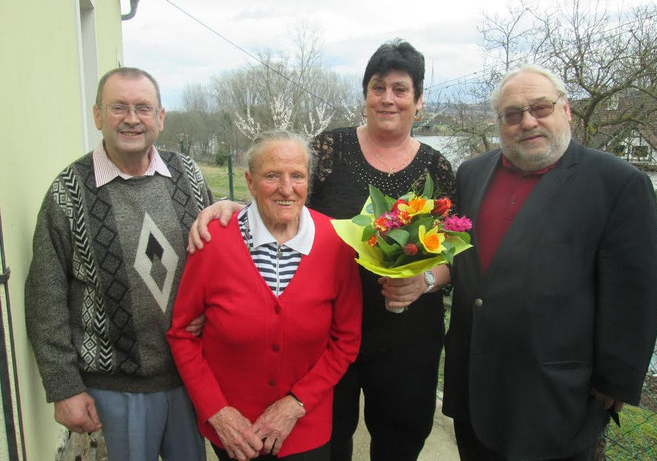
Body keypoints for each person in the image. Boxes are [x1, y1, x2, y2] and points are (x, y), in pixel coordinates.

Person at [188, 39, 456, 461]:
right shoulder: (331, 148)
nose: (388, 98)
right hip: (324, 335)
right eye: (377, 86)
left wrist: (423, 281)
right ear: (365, 95)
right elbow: (287, 197)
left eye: (401, 89)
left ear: (419, 101)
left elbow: (452, 254)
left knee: (401, 441)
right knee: (331, 443)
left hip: (407, 336)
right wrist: (236, 207)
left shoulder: (437, 167)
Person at [442, 64, 657, 461]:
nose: (527, 122)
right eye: (512, 114)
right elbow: (462, 259)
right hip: (476, 384)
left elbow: (639, 288)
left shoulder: (616, 182)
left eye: (540, 108)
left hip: (555, 395)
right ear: (499, 124)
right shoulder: (472, 173)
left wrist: (615, 381)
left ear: (566, 111)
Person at [25, 67, 212, 461]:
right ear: (97, 116)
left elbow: (219, 261)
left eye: (143, 108)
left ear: (160, 118)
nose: (131, 118)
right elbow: (46, 298)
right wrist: (63, 388)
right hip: (111, 391)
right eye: (118, 108)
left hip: (190, 377)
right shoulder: (69, 192)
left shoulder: (189, 175)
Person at [167, 130, 362, 461]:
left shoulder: (336, 242)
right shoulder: (213, 240)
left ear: (308, 180)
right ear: (250, 181)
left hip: (305, 426)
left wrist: (295, 404)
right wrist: (216, 411)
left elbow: (346, 340)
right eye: (272, 175)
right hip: (233, 430)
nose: (286, 189)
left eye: (297, 176)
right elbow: (182, 336)